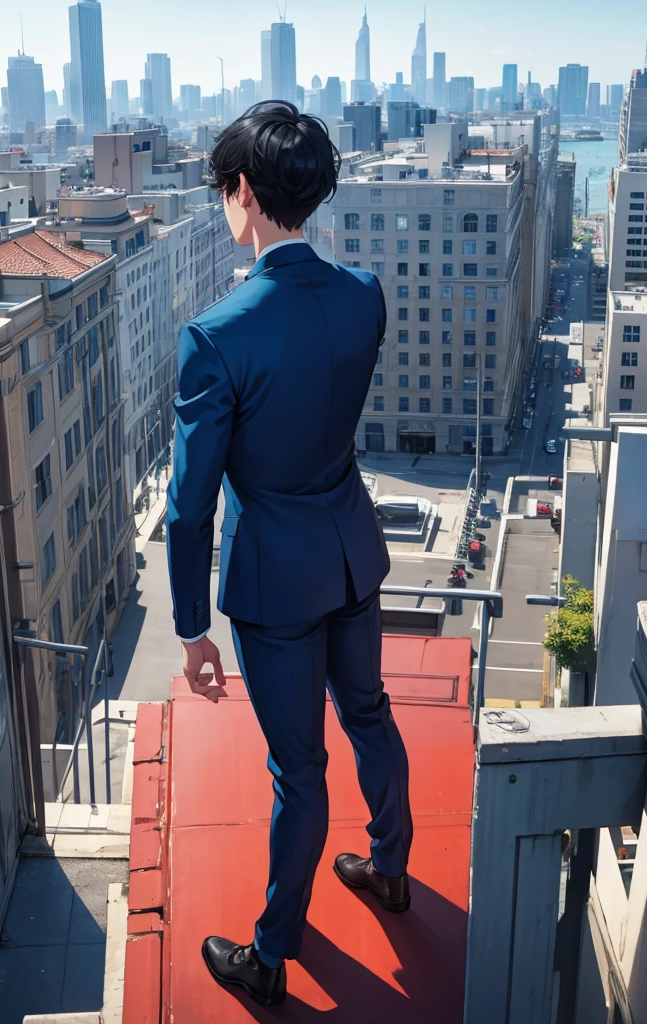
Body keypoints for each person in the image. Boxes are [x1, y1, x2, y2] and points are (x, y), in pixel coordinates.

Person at [165, 101, 413, 1008]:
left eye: (223, 191)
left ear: (244, 192)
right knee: (371, 712)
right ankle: (391, 866)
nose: (222, 205)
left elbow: (190, 510)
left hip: (275, 581)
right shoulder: (364, 296)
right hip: (352, 550)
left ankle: (271, 957)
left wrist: (192, 630)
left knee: (297, 771)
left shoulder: (218, 337)